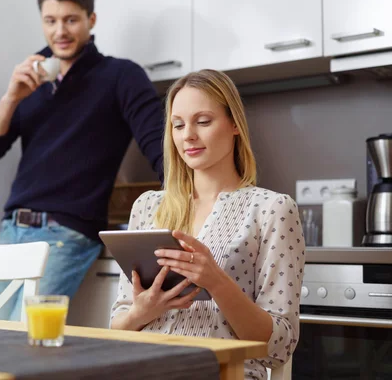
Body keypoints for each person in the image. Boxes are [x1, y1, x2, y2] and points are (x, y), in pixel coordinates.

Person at [0, 0, 163, 320]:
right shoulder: (31, 79)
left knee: (21, 341)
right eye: (50, 20)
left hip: (66, 234)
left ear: (92, 19)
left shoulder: (121, 76)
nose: (60, 31)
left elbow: (162, 147)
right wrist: (11, 98)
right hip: (12, 230)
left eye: (71, 20)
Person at [110, 69, 305, 379]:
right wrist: (142, 311)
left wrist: (216, 280)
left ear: (234, 125)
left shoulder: (272, 209)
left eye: (203, 121)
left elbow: (279, 346)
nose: (188, 135)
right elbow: (118, 325)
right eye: (178, 125)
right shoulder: (148, 207)